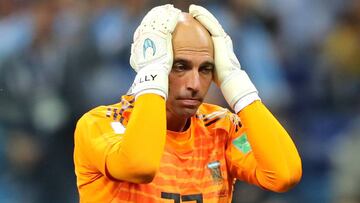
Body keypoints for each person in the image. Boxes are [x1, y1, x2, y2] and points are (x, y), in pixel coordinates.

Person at [73, 4, 302, 203]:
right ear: (153, 62)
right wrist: (153, 74)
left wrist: (235, 82)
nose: (194, 84)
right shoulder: (98, 124)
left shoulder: (220, 129)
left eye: (205, 69)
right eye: (179, 66)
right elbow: (139, 165)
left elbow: (285, 174)